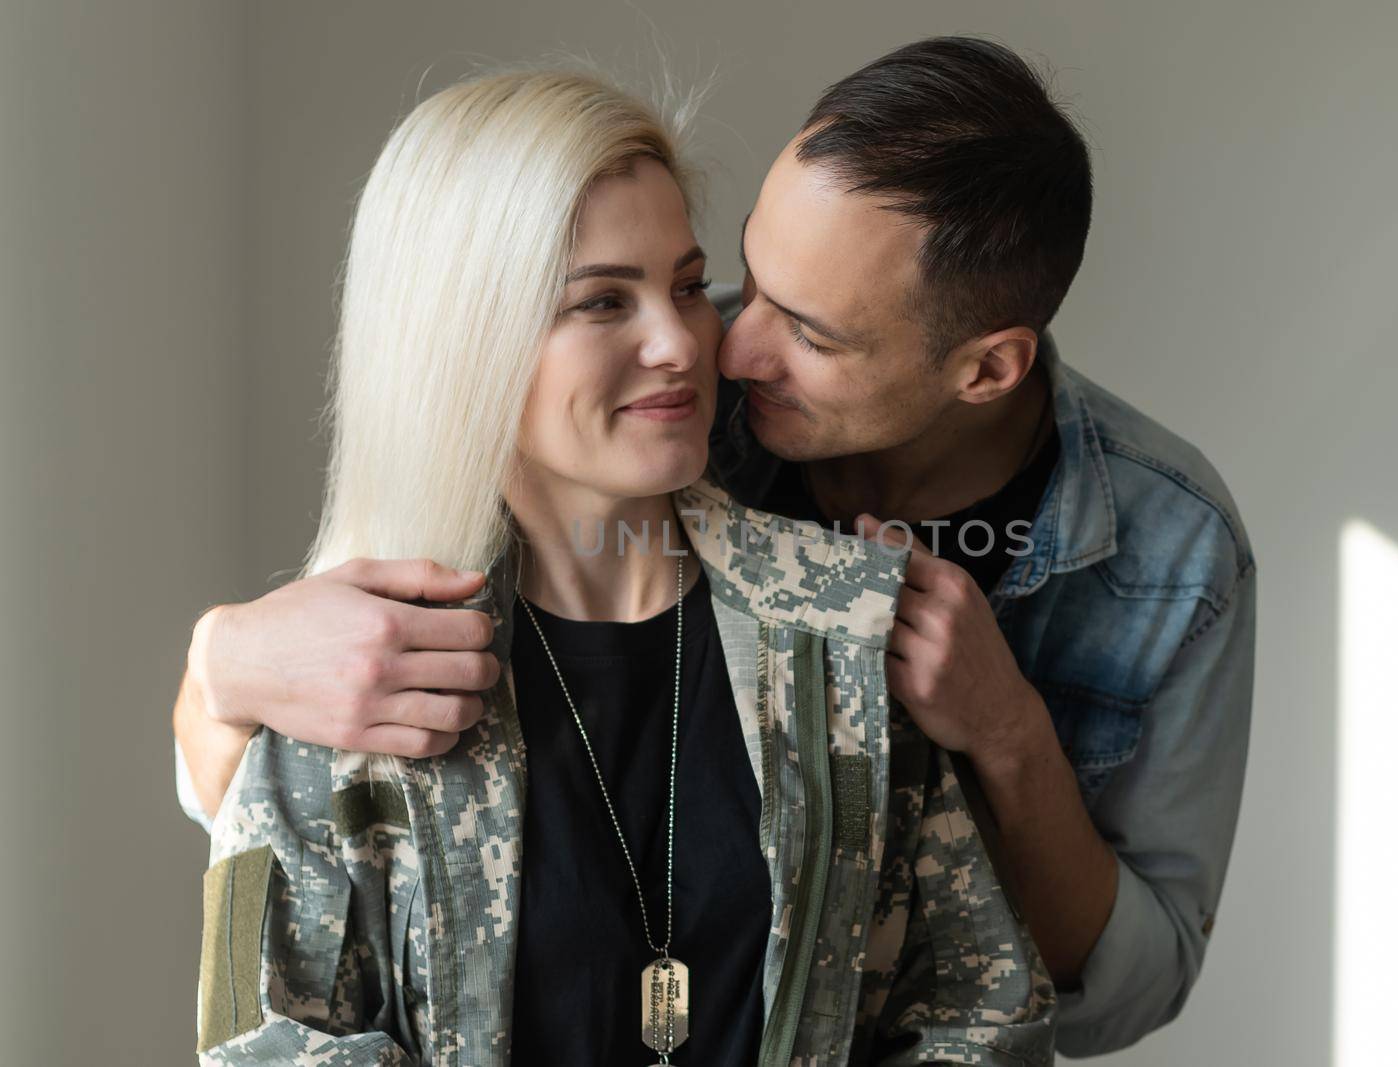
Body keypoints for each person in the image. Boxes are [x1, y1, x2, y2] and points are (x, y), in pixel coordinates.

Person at [179, 36, 1259, 1060]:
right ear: (470, 335)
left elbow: (1028, 1006)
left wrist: (1008, 732)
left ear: (985, 370)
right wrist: (223, 667)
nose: (712, 343)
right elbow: (255, 1022)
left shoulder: (914, 609)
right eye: (617, 296)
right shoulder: (351, 654)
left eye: (690, 285)